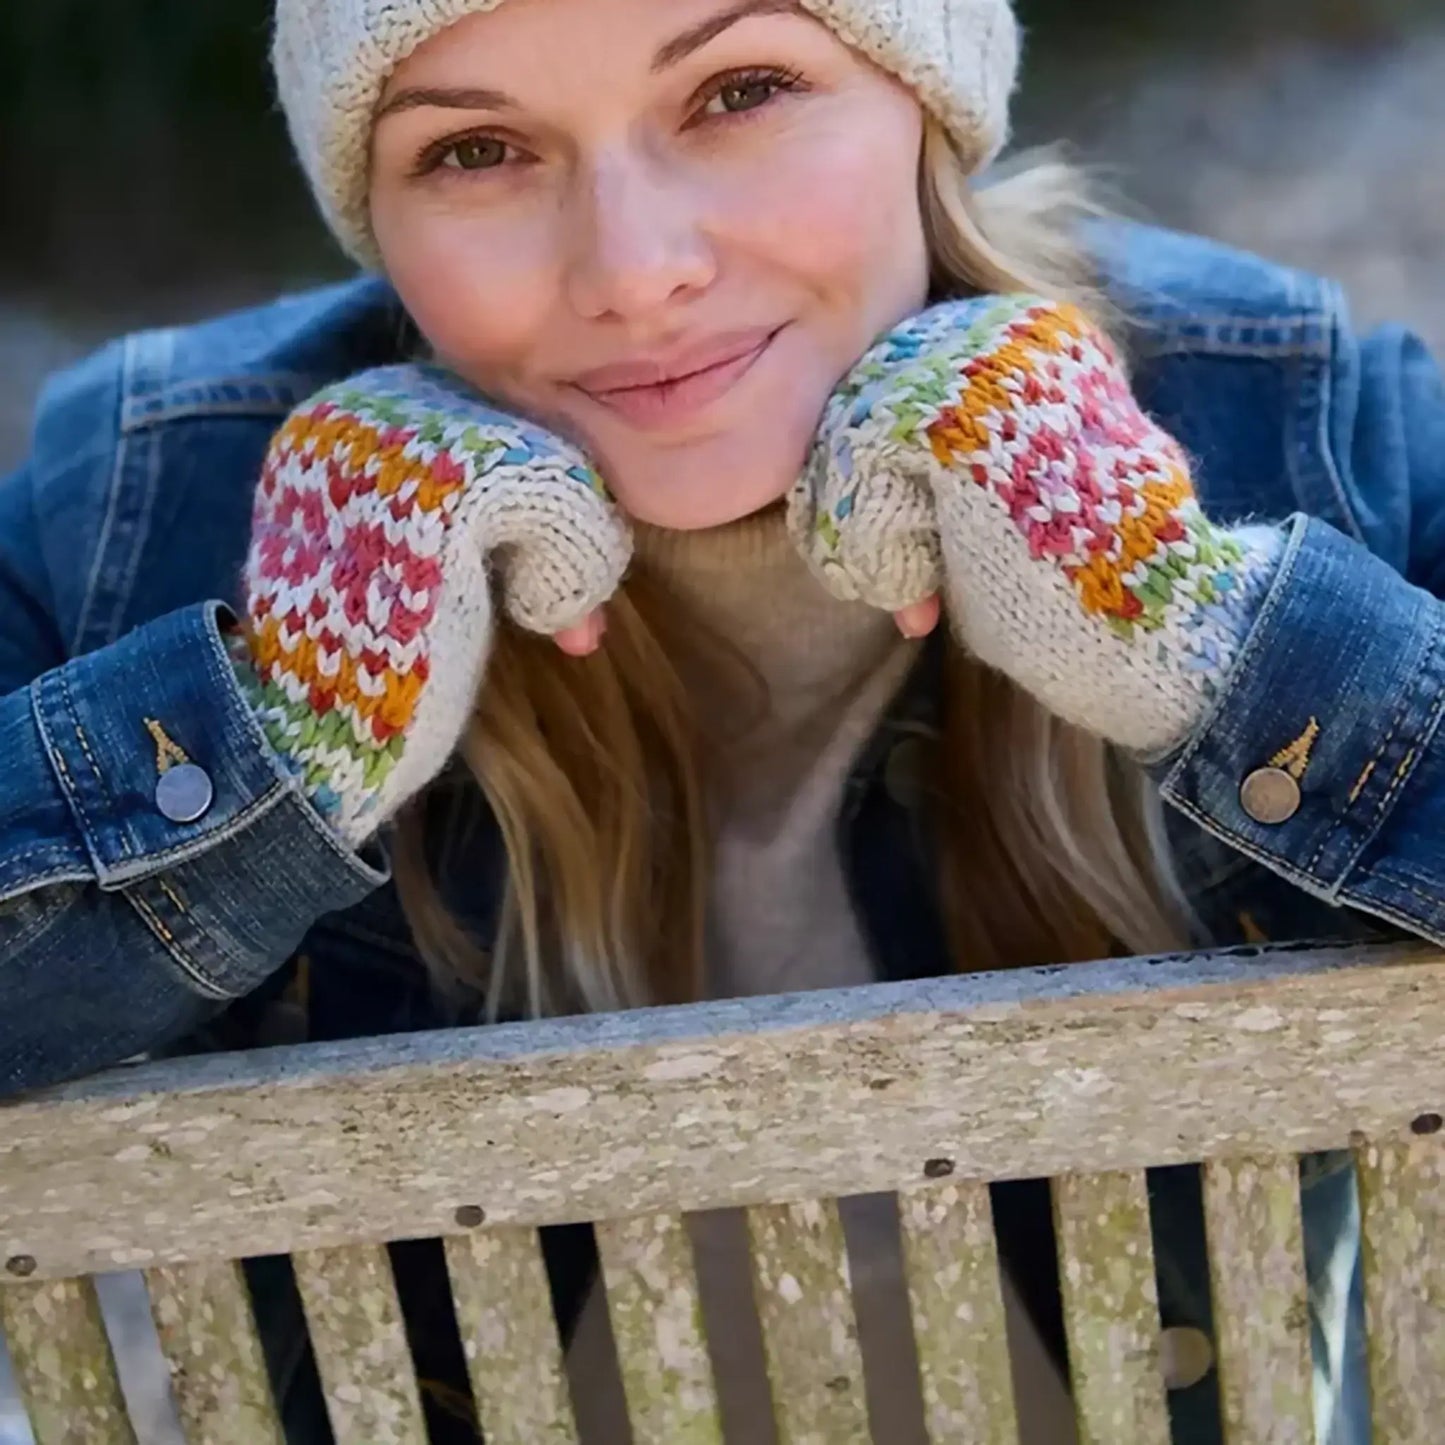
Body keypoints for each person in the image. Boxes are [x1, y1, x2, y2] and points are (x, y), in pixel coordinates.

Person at [3, 0, 1442, 1438]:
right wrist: (282, 738)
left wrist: (1200, 631)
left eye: (741, 89)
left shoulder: (1297, 419)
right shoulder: (147, 497)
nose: (635, 272)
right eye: (477, 150)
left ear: (925, 104)